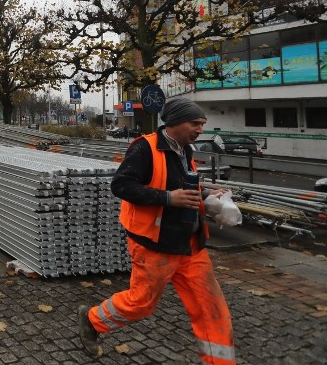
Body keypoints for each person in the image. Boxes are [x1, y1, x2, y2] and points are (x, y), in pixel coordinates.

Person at [77, 97, 235, 364]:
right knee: (141, 303)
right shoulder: (144, 148)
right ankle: (92, 320)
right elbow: (122, 186)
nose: (200, 129)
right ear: (174, 122)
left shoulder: (185, 149)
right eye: (195, 123)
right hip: (154, 245)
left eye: (202, 124)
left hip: (190, 245)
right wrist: (167, 198)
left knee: (212, 309)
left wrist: (207, 194)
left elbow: (183, 185)